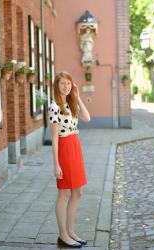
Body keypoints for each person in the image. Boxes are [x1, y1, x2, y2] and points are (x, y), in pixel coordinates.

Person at [48, 71, 90, 248]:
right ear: (57, 86)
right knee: (64, 193)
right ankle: (63, 235)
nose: (66, 86)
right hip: (64, 148)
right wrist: (56, 164)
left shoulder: (71, 104)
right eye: (63, 84)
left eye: (69, 83)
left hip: (75, 146)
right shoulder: (54, 107)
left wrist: (78, 97)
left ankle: (71, 231)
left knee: (77, 192)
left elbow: (87, 118)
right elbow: (55, 138)